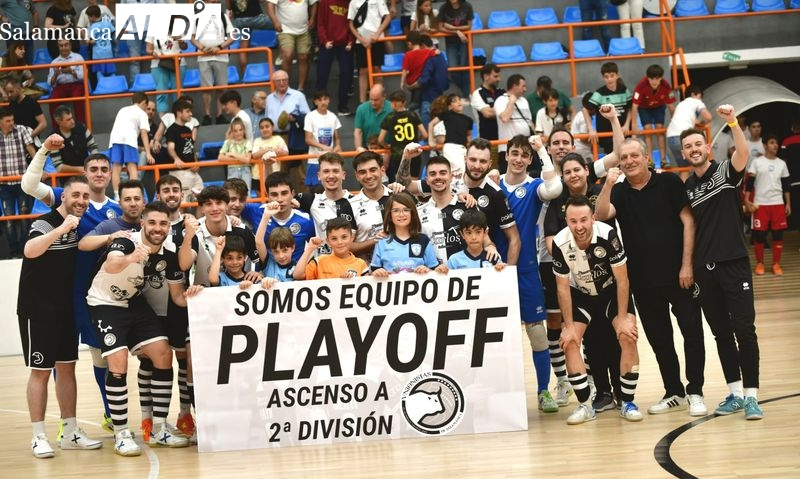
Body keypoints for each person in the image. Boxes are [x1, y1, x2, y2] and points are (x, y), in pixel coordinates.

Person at [595, 138, 707, 417]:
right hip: (643, 282)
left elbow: (688, 222)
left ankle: (695, 391)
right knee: (660, 340)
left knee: (692, 334)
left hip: (679, 276)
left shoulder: (669, 183)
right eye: (624, 158)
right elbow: (599, 215)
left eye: (635, 156)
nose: (630, 161)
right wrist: (608, 183)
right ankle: (674, 391)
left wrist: (686, 265)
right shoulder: (619, 192)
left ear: (647, 158)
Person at [21, 148, 122, 433]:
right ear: (85, 175)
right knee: (57, 361)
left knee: (99, 355)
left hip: (95, 296)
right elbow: (28, 185)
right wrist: (43, 152)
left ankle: (109, 413)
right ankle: (65, 427)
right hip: (59, 297)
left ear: (112, 174)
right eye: (94, 169)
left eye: (105, 169)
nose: (100, 173)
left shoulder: (118, 207)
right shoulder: (71, 200)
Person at [86, 202, 192, 456]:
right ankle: (121, 432)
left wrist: (198, 296)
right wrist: (132, 257)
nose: (158, 228)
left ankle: (159, 429)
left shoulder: (169, 253)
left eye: (163, 223)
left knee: (163, 354)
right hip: (104, 303)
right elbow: (112, 265)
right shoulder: (126, 242)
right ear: (142, 223)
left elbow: (178, 297)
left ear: (169, 226)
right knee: (118, 361)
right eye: (152, 222)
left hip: (134, 303)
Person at [682, 105, 763, 420]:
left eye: (697, 145)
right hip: (704, 270)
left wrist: (732, 122)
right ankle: (735, 393)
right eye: (687, 147)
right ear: (684, 153)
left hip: (735, 263)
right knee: (721, 334)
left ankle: (752, 396)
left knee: (745, 329)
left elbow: (742, 151)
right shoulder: (686, 189)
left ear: (707, 147)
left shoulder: (726, 172)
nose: (693, 150)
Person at [17, 171, 102, 459]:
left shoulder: (81, 224)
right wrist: (61, 229)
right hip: (37, 310)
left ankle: (70, 432)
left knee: (67, 368)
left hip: (66, 308)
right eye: (75, 195)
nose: (81, 200)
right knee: (40, 371)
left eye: (85, 196)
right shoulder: (45, 221)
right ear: (62, 196)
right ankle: (38, 436)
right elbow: (29, 251)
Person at [552, 195, 642, 425]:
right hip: (580, 295)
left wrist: (623, 318)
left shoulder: (608, 235)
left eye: (584, 220)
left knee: (627, 335)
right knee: (569, 341)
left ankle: (628, 401)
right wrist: (569, 327)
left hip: (611, 292)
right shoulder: (560, 242)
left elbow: (623, 280)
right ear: (566, 221)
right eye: (573, 221)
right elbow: (562, 288)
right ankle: (585, 406)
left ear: (592, 218)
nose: (579, 226)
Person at [498, 134, 563, 414]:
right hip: (493, 272)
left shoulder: (535, 186)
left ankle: (543, 392)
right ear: (506, 155)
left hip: (526, 270)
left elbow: (555, 187)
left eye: (525, 155)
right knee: (498, 339)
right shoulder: (492, 184)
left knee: (537, 334)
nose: (519, 159)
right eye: (515, 153)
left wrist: (543, 152)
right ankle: (501, 395)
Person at [179, 186, 261, 287]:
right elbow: (184, 265)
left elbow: (259, 260)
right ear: (202, 208)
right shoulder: (195, 231)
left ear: (226, 206)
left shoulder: (242, 230)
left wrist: (258, 273)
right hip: (206, 294)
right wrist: (188, 236)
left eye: (219, 203)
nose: (214, 208)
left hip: (241, 292)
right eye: (209, 204)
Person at [745, 134, 791, 276]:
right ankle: (760, 263)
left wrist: (788, 203)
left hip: (777, 203)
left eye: (776, 143)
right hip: (760, 204)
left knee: (778, 234)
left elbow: (786, 185)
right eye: (772, 142)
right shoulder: (757, 162)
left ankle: (776, 264)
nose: (775, 145)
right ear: (765, 145)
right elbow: (749, 183)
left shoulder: (782, 164)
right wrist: (747, 201)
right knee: (759, 235)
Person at [370, 192, 444, 276]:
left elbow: (435, 271)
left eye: (406, 210)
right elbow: (372, 273)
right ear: (390, 215)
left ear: (412, 214)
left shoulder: (423, 240)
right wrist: (377, 272)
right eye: (396, 211)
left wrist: (427, 270)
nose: (401, 214)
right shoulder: (382, 241)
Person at [296, 153, 357, 246]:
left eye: (335, 171)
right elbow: (280, 199)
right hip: (322, 259)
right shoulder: (312, 201)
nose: (331, 176)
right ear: (319, 176)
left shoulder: (356, 202)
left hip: (351, 258)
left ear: (343, 175)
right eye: (326, 171)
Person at [254, 172, 315, 263]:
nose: (279, 199)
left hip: (297, 274)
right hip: (267, 273)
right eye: (274, 194)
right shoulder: (257, 211)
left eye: (284, 193)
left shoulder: (305, 220)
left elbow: (315, 247)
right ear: (267, 196)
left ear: (292, 193)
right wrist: (232, 218)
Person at [0, 106, 37, 258]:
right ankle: (14, 251)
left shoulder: (22, 130)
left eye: (12, 120)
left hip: (22, 181)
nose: (11, 123)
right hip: (3, 183)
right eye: (8, 121)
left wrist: (38, 168)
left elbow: (32, 150)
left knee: (24, 215)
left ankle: (23, 250)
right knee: (8, 218)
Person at [190, 0, 234, 126]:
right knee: (206, 88)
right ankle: (207, 115)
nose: (213, 4)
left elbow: (232, 36)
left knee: (221, 87)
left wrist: (220, 47)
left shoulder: (223, 17)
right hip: (203, 56)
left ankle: (220, 114)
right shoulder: (197, 18)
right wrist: (202, 48)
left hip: (221, 56)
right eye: (211, 1)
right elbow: (192, 37)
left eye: (215, 2)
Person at [266, 69, 310, 188]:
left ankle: (303, 200)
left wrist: (294, 118)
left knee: (298, 170)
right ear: (274, 82)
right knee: (279, 171)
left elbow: (308, 118)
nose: (282, 82)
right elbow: (267, 119)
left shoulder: (298, 96)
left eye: (284, 80)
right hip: (274, 137)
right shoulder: (269, 99)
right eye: (278, 80)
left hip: (293, 136)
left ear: (288, 81)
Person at [77, 179, 145, 253]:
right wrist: (109, 237)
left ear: (144, 202)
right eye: (127, 199)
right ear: (119, 204)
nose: (133, 204)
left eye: (137, 199)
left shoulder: (151, 223)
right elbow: (82, 244)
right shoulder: (109, 225)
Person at [349, 151, 392, 262]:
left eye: (373, 170)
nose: (368, 176)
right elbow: (346, 247)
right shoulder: (349, 205)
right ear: (357, 176)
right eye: (362, 172)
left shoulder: (397, 197)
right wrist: (376, 240)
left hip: (401, 269)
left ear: (382, 171)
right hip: (367, 274)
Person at [108, 92, 153, 198]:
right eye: (147, 106)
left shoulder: (123, 109)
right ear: (143, 103)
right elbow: (144, 133)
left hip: (115, 140)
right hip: (129, 140)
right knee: (132, 167)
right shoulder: (142, 113)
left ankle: (117, 195)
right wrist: (148, 153)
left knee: (116, 168)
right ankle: (133, 193)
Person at [294, 217, 369, 280]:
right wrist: (309, 249)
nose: (339, 242)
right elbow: (297, 275)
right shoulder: (319, 262)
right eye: (334, 239)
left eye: (344, 237)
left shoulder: (361, 264)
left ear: (352, 238)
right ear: (328, 241)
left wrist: (350, 282)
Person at [630, 64, 676, 166]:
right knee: (648, 130)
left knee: (660, 129)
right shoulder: (641, 85)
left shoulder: (666, 85)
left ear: (661, 78)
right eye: (652, 79)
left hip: (659, 107)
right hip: (644, 108)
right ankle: (650, 160)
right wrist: (634, 126)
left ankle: (664, 160)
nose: (654, 81)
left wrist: (674, 121)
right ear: (648, 78)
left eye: (657, 79)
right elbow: (634, 106)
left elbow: (671, 106)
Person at [268, 0, 317, 92]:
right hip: (285, 29)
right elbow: (270, 6)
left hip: (304, 29)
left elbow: (314, 3)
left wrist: (313, 18)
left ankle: (301, 88)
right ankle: (286, 87)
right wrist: (275, 22)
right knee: (287, 56)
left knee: (304, 57)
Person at [316, 0, 354, 116]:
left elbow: (353, 24)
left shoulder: (350, 3)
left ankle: (342, 107)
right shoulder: (324, 2)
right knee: (322, 76)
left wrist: (351, 41)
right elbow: (320, 23)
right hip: (328, 44)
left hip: (344, 45)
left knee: (346, 74)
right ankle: (317, 106)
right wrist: (324, 40)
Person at [584, 62, 632, 156]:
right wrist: (590, 129)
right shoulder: (599, 93)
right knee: (614, 159)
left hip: (624, 133)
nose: (609, 79)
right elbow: (585, 109)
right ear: (603, 77)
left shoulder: (624, 90)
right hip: (607, 135)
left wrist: (627, 125)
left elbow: (630, 108)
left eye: (612, 76)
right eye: (606, 76)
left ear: (617, 75)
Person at [348, 0, 390, 103]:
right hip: (361, 41)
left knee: (377, 68)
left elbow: (387, 17)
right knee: (363, 70)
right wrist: (361, 39)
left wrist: (377, 34)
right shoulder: (353, 2)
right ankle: (363, 102)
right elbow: (351, 24)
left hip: (377, 39)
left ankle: (380, 98)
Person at [379, 90, 427, 181]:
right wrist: (417, 139)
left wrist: (387, 146)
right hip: (414, 152)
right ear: (404, 102)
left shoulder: (390, 117)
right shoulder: (412, 114)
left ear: (392, 103)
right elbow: (424, 134)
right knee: (414, 182)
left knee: (400, 184)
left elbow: (380, 139)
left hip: (398, 154)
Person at [665, 84, 711, 177]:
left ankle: (682, 191)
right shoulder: (696, 101)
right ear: (694, 94)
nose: (701, 100)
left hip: (671, 137)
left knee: (684, 169)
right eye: (700, 97)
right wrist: (702, 123)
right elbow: (708, 117)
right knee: (700, 165)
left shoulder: (681, 104)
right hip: (683, 137)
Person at [165, 99, 204, 204]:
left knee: (202, 201)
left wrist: (196, 163)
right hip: (180, 173)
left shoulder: (187, 129)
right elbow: (170, 148)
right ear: (178, 113)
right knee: (183, 203)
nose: (190, 114)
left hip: (193, 172)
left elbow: (191, 148)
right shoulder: (171, 130)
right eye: (187, 111)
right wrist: (176, 159)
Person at [494, 74, 534, 173]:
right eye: (523, 86)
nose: (525, 89)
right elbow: (504, 118)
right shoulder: (501, 100)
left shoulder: (524, 101)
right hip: (507, 148)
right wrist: (511, 102)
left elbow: (529, 122)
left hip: (526, 148)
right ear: (514, 86)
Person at [304, 90, 343, 188]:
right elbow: (308, 139)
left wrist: (338, 146)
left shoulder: (333, 116)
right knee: (315, 190)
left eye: (325, 99)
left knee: (333, 188)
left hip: (330, 160)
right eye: (320, 100)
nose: (323, 102)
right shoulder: (310, 116)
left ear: (329, 100)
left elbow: (337, 138)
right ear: (315, 102)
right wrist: (324, 147)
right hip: (314, 160)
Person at [49, 105, 99, 175]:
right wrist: (79, 169)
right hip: (68, 179)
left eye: (72, 118)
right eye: (68, 120)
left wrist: (94, 162)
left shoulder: (82, 128)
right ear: (58, 121)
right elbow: (58, 166)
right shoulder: (53, 138)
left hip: (88, 175)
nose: (72, 121)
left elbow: (93, 147)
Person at [437, 0, 473, 97]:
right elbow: (440, 27)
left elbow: (469, 26)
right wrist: (457, 32)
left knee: (465, 67)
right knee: (453, 69)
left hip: (465, 40)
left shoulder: (467, 6)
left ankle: (466, 95)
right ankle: (467, 93)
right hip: (451, 42)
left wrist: (452, 28)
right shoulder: (444, 7)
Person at [146, 35, 187, 117]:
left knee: (178, 93)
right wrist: (154, 53)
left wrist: (181, 41)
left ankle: (180, 119)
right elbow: (148, 50)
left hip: (178, 62)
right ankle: (163, 122)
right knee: (161, 92)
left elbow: (185, 47)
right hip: (158, 64)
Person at [47, 39, 86, 126]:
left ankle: (81, 126)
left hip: (76, 85)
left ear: (70, 45)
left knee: (78, 99)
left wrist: (71, 72)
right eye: (61, 45)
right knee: (53, 101)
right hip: (61, 87)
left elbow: (84, 76)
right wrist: (55, 75)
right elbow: (50, 82)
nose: (64, 48)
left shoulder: (78, 58)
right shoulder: (54, 62)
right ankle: (57, 129)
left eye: (66, 45)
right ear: (58, 47)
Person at [470, 63, 504, 162]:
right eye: (495, 76)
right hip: (488, 142)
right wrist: (503, 111)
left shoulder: (502, 92)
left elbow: (511, 111)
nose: (499, 79)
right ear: (486, 76)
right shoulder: (478, 93)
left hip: (504, 142)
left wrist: (494, 110)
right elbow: (487, 114)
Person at [413, 34, 448, 127]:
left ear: (423, 46)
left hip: (429, 99)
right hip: (440, 97)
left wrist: (410, 85)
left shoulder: (429, 58)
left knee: (429, 135)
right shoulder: (441, 56)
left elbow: (424, 79)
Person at [228, 0, 273, 70]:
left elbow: (229, 7)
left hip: (240, 21)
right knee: (281, 24)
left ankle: (244, 76)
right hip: (256, 18)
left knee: (243, 50)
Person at [5, 76, 47, 147]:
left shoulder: (31, 102)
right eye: (7, 92)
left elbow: (43, 123)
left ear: (19, 89)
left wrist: (29, 137)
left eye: (11, 91)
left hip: (32, 142)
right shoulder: (11, 104)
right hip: (17, 142)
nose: (9, 95)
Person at [251, 117, 289, 192]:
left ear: (272, 127)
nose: (265, 129)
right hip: (258, 175)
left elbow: (285, 152)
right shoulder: (257, 140)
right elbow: (255, 155)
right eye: (262, 128)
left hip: (274, 174)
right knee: (261, 199)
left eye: (267, 126)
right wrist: (271, 149)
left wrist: (262, 151)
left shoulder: (278, 138)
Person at [400, 31, 434, 110]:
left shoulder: (407, 55)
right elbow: (434, 52)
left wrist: (402, 83)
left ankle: (406, 111)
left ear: (409, 43)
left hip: (411, 82)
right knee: (416, 101)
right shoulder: (427, 52)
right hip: (420, 82)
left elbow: (404, 70)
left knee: (415, 102)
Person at [354, 84, 391, 151]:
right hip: (368, 149)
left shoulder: (392, 108)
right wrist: (358, 147)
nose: (373, 103)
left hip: (388, 149)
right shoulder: (362, 109)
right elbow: (358, 132)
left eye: (376, 100)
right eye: (371, 99)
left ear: (384, 97)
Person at [220, 117, 254, 189]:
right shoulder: (228, 143)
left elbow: (247, 159)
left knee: (246, 193)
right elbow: (220, 157)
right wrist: (242, 157)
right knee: (232, 192)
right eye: (235, 131)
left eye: (240, 130)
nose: (238, 133)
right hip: (232, 170)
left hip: (245, 170)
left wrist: (232, 154)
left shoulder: (247, 142)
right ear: (231, 132)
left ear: (244, 130)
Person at [0, 0, 38, 64]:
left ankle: (29, 73)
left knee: (28, 62)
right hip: (13, 35)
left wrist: (36, 27)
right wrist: (1, 17)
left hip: (28, 35)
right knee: (13, 62)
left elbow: (35, 12)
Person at [780, 120, 800, 231]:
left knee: (794, 208)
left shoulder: (786, 142)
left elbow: (783, 162)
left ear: (793, 129)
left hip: (792, 180)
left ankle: (794, 228)